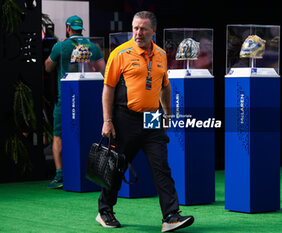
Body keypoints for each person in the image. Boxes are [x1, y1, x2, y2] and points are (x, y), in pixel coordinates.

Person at [98, 11, 194, 232]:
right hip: (125, 117)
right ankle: (105, 210)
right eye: (135, 28)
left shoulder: (160, 54)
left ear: (153, 31)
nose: (138, 32)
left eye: (143, 28)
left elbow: (165, 86)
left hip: (152, 117)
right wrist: (107, 120)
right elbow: (108, 88)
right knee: (117, 167)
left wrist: (168, 114)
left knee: (161, 167)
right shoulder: (120, 53)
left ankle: (170, 216)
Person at [44, 15, 105, 189]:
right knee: (88, 133)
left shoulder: (60, 46)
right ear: (81, 29)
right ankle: (89, 172)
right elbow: (102, 71)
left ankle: (60, 175)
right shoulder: (93, 47)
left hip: (65, 99)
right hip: (89, 99)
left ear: (68, 28)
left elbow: (47, 67)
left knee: (58, 136)